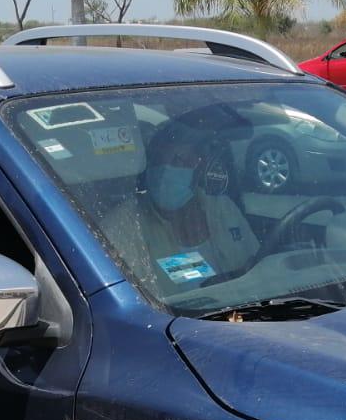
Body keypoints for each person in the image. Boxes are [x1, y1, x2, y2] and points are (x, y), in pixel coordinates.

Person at [100, 120, 260, 295]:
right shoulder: (124, 226)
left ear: (199, 165)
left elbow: (258, 270)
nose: (165, 172)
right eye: (157, 162)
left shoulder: (222, 208)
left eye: (178, 160)